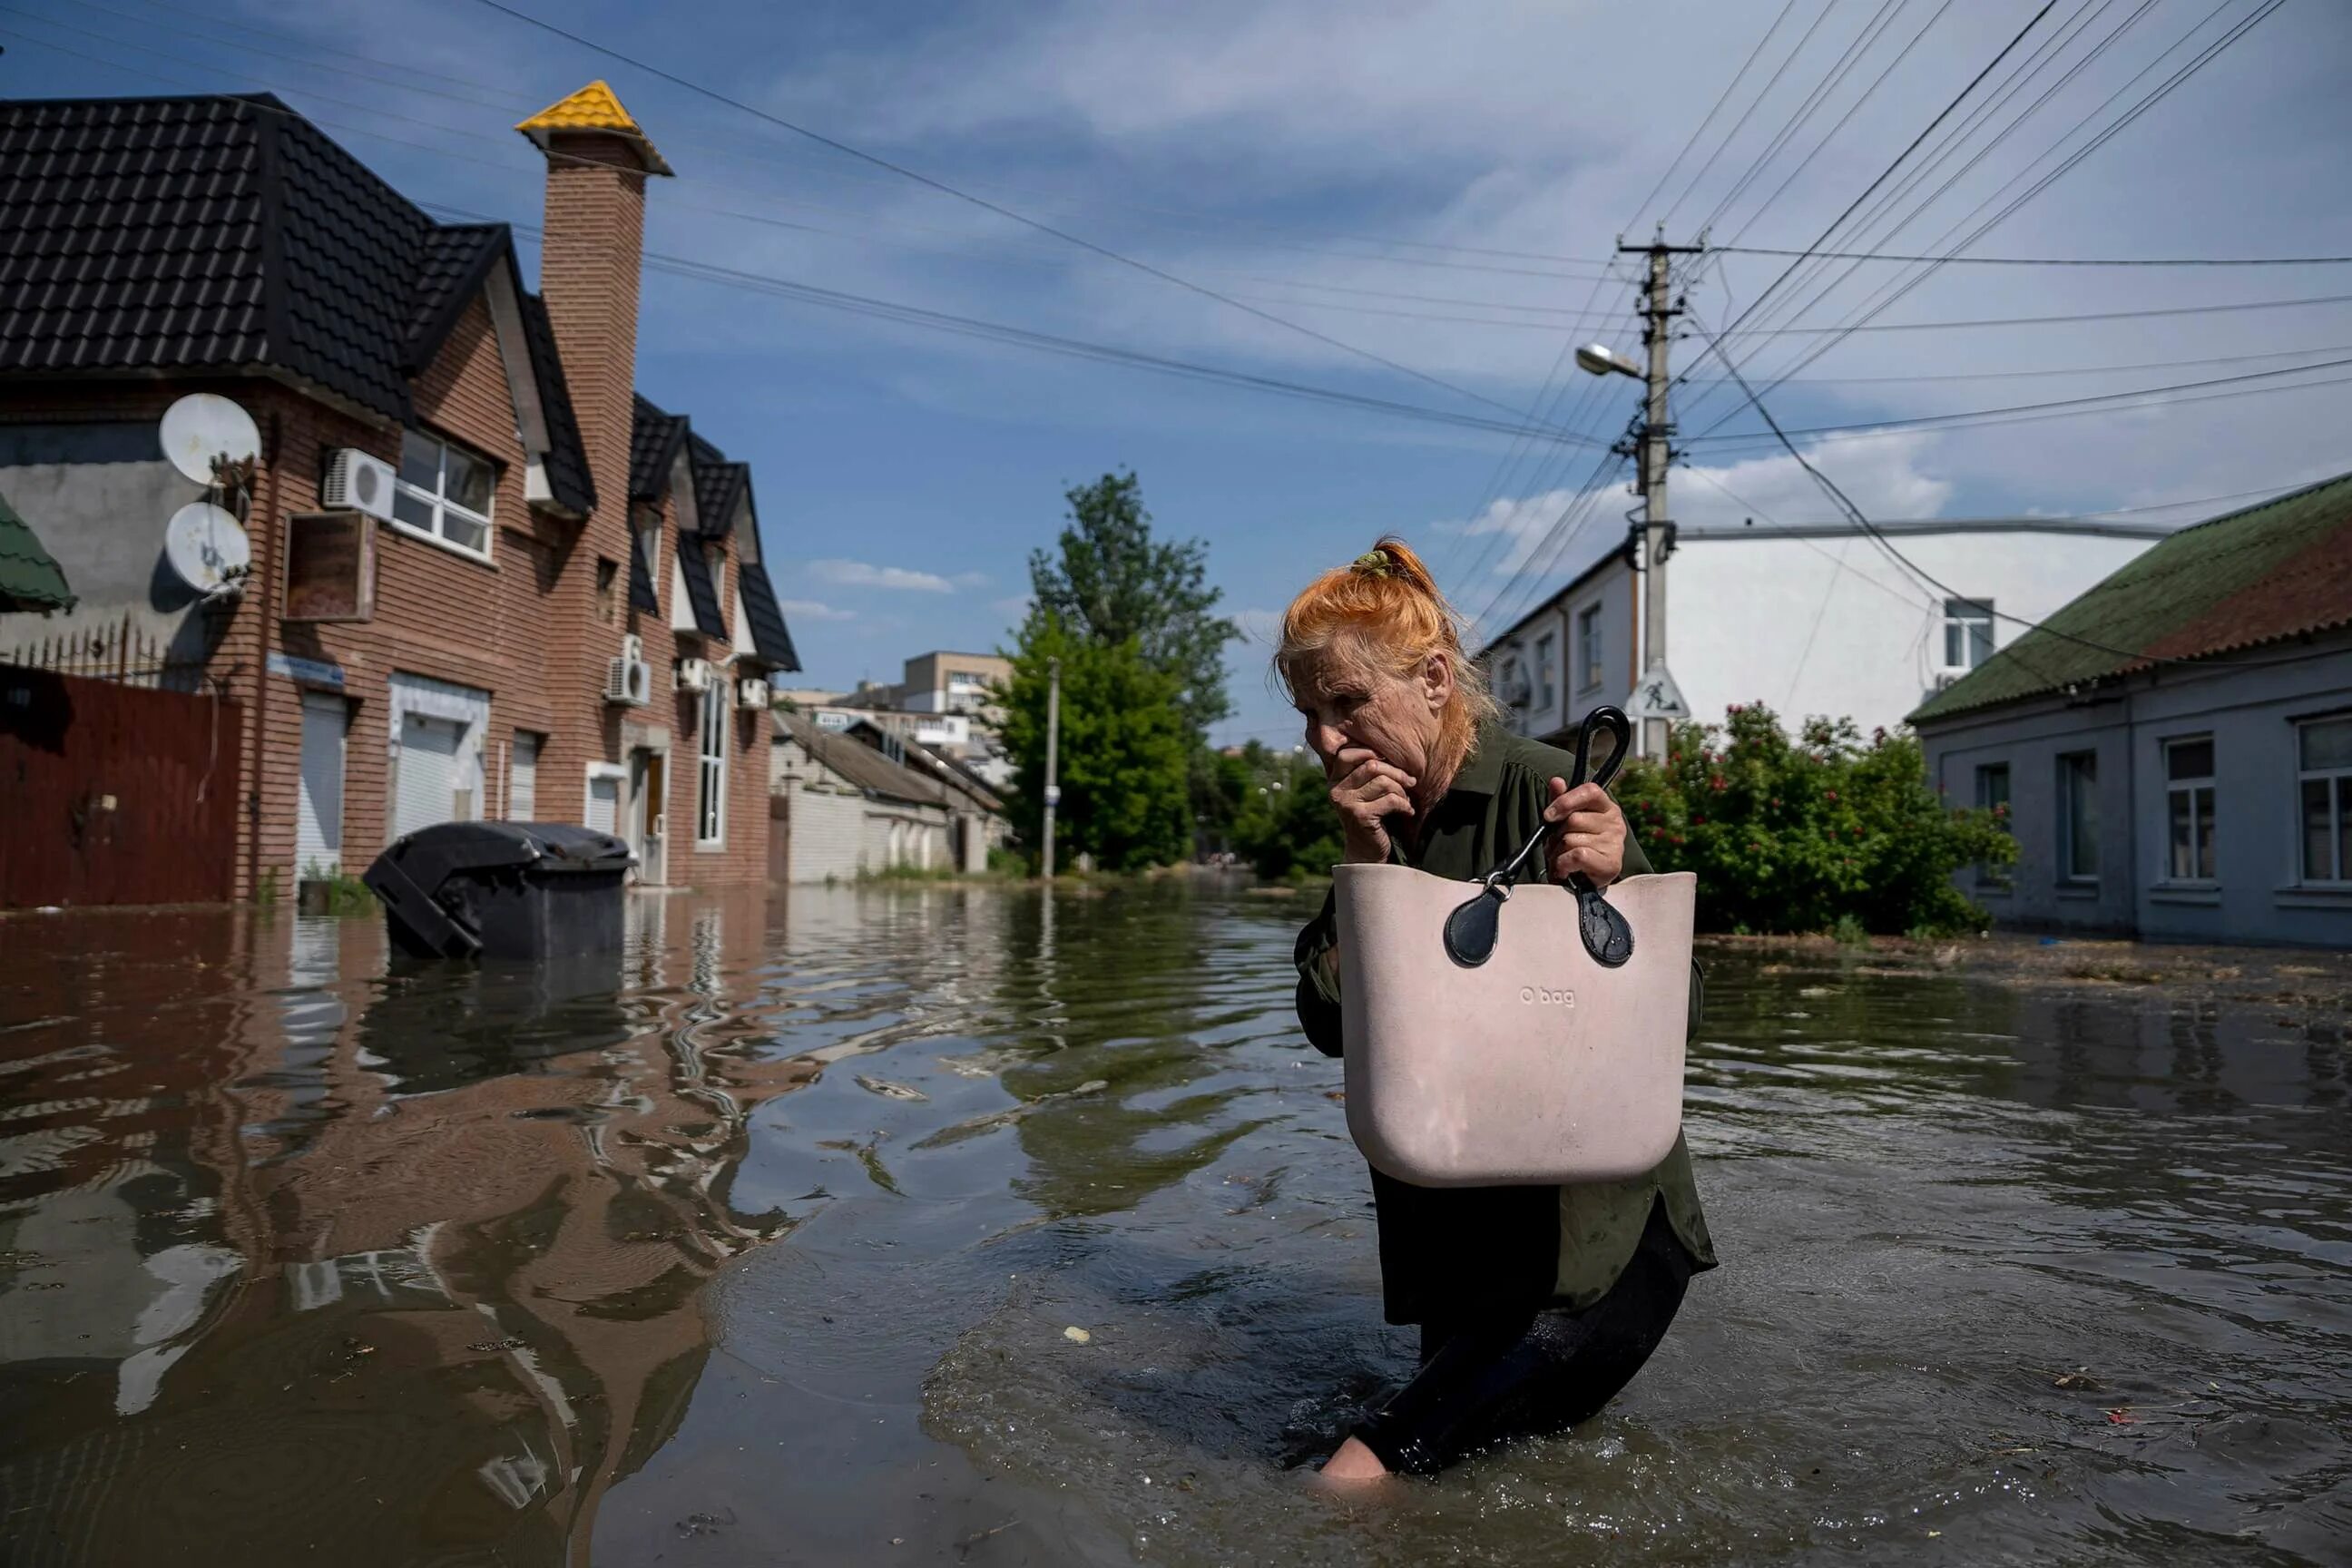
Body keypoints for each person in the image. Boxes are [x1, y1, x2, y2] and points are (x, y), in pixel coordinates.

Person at [1280, 538, 1716, 1482]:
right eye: (1309, 713)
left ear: (1436, 679)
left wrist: (1617, 870)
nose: (1324, 738)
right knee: (1465, 1486)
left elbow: (1676, 1023)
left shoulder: (1544, 787)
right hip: (1464, 1254)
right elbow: (1328, 1028)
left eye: (1347, 703)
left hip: (1591, 1255)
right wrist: (1363, 868)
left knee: (1356, 1480)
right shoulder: (1380, 823)